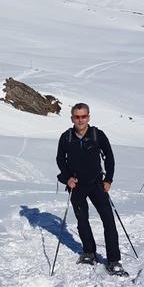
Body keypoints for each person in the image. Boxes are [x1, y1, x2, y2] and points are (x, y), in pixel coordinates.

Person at [56, 103, 127, 276]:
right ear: (72, 118)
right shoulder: (66, 137)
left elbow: (109, 157)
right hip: (77, 186)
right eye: (77, 117)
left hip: (97, 184)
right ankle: (89, 253)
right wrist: (67, 178)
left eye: (83, 116)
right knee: (82, 221)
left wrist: (108, 179)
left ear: (89, 116)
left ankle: (113, 260)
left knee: (108, 221)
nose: (80, 120)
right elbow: (60, 160)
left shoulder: (97, 135)